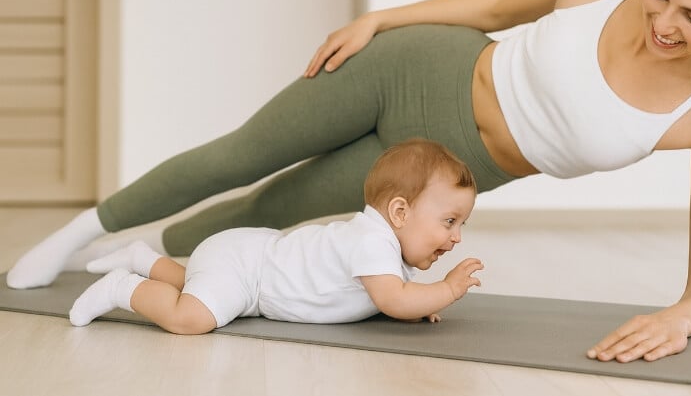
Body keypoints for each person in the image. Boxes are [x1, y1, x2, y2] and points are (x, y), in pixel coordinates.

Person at [7, 0, 691, 362]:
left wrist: (679, 319)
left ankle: (138, 259)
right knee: (236, 156)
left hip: (433, 170)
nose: (662, 22)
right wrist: (380, 19)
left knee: (265, 215)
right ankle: (78, 233)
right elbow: (500, 10)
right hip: (413, 67)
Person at [68, 138, 482, 331]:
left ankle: (142, 258)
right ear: (399, 211)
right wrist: (444, 290)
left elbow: (396, 299)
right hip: (249, 272)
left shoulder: (382, 246)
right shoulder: (372, 243)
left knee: (190, 281)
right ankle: (121, 288)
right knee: (190, 316)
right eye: (449, 222)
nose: (457, 237)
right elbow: (393, 299)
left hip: (247, 256)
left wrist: (417, 304)